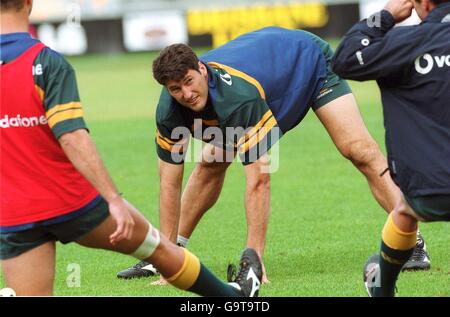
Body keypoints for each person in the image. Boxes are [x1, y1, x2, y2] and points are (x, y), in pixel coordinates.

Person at [118, 25, 430, 284]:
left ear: (201, 69)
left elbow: (258, 182)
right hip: (262, 78)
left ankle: (412, 244)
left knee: (359, 151)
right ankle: (170, 253)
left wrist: (254, 260)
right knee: (210, 164)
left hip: (307, 63)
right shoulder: (171, 109)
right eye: (175, 89)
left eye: (189, 82)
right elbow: (168, 183)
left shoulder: (237, 98)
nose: (185, 94)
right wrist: (167, 258)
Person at [0, 0, 262, 297]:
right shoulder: (47, 62)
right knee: (162, 251)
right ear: (28, 4)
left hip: (16, 212)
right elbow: (72, 138)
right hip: (74, 203)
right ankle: (235, 297)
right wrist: (113, 198)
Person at [332, 0, 450, 296]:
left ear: (422, 4)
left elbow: (344, 58)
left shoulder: (404, 43)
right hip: (430, 186)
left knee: (404, 212)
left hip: (428, 192)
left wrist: (382, 17)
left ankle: (382, 286)